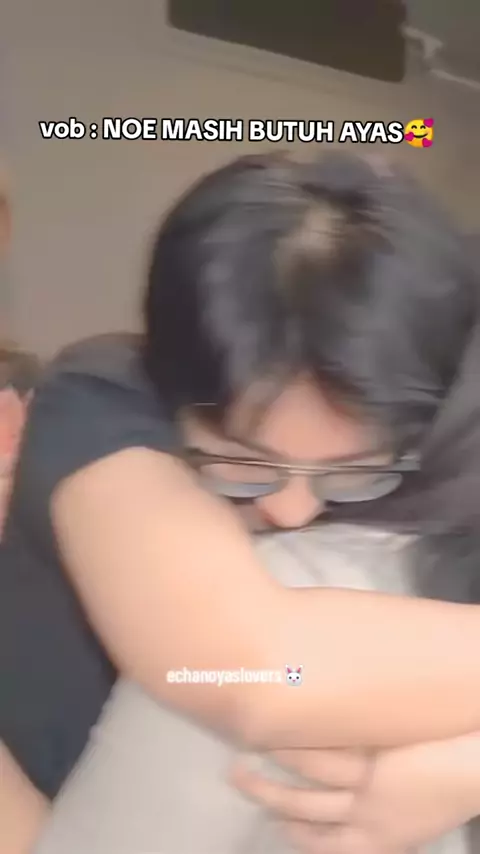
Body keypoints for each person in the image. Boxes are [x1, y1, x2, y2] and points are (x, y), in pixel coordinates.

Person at [3, 150, 480, 853]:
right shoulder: (104, 402)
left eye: (353, 473)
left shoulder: (429, 457)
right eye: (245, 465)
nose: (294, 510)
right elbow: (254, 671)